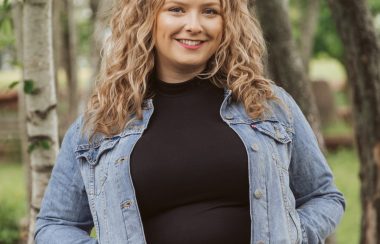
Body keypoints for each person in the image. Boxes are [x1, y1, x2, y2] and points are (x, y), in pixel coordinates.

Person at [34, 0, 345, 243]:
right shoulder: (102, 122)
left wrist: (291, 234)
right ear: (147, 19)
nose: (193, 25)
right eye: (176, 9)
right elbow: (54, 225)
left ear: (228, 23)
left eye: (210, 11)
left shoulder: (268, 105)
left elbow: (323, 196)